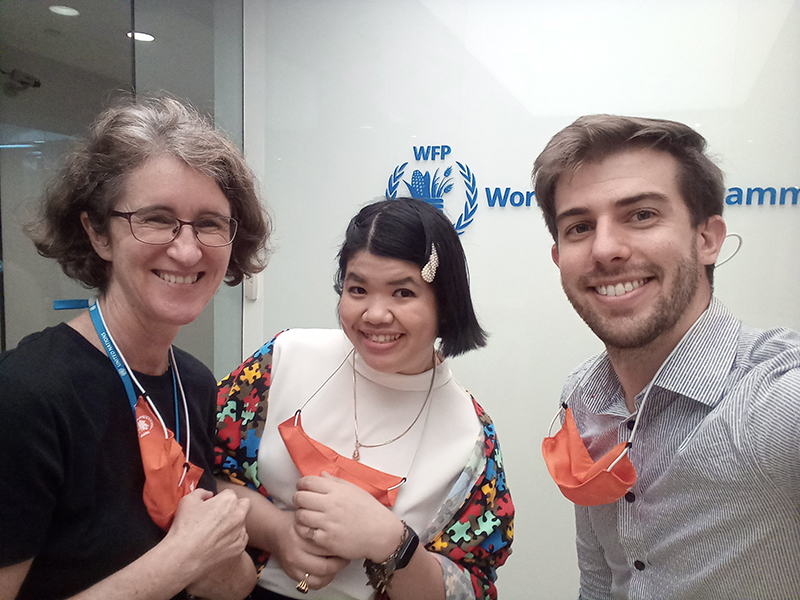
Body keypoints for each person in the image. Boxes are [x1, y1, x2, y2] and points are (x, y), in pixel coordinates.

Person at [0, 96, 271, 600]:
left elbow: (225, 580)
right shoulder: (26, 397)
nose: (187, 249)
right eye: (156, 218)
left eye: (210, 223)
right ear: (98, 233)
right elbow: (187, 557)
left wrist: (225, 559)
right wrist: (181, 559)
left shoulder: (193, 383)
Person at [533, 115, 800, 600]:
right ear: (558, 257)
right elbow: (600, 579)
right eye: (580, 227)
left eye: (641, 215)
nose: (606, 248)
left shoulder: (770, 399)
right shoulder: (583, 394)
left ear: (707, 239)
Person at [215, 197, 514, 600]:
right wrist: (280, 532)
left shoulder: (470, 437)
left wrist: (393, 543)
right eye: (358, 289)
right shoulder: (283, 358)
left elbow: (471, 586)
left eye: (402, 293)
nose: (374, 314)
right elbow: (197, 471)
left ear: (445, 302)